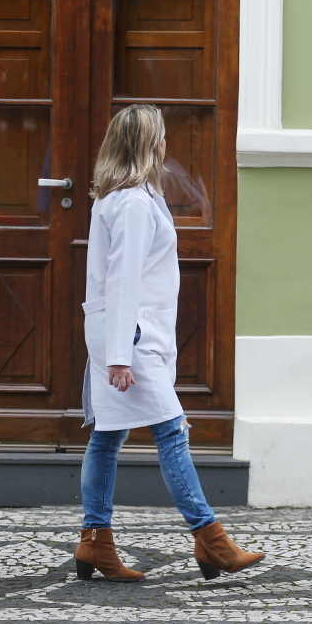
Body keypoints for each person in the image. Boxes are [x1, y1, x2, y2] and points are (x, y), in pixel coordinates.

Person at [76, 104, 264, 583]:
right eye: (160, 136)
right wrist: (120, 355)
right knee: (172, 430)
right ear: (148, 144)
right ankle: (211, 539)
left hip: (123, 331)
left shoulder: (122, 197)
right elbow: (122, 279)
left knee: (107, 437)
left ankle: (94, 541)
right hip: (131, 336)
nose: (166, 144)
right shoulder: (134, 203)